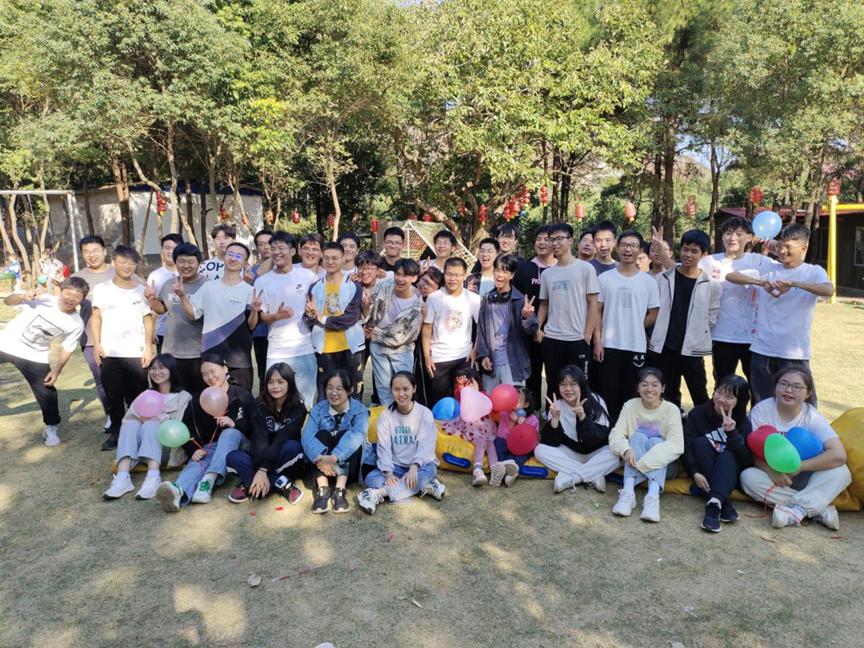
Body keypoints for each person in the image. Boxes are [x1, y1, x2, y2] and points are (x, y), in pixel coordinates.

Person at [726, 224, 834, 404]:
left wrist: (794, 283)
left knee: (800, 404)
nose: (783, 251)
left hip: (793, 352)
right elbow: (731, 276)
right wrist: (761, 282)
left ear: (804, 247)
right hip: (762, 349)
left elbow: (829, 290)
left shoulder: (813, 271)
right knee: (762, 403)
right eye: (781, 246)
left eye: (788, 247)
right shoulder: (769, 268)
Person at [740, 365, 851, 531]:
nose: (789, 390)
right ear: (775, 386)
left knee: (841, 472)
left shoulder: (811, 416)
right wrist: (771, 471)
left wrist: (800, 467)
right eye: (783, 384)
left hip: (807, 475)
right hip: (775, 476)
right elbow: (750, 449)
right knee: (747, 477)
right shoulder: (762, 410)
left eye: (797, 387)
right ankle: (818, 508)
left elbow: (839, 454)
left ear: (808, 393)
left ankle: (796, 511)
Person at [155, 354, 257, 511]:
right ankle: (178, 491)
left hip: (241, 447)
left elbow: (257, 426)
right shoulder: (198, 399)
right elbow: (186, 428)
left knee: (230, 433)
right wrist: (193, 449)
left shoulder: (242, 396)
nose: (210, 377)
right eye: (204, 374)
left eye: (212, 371)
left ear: (225, 369)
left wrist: (235, 423)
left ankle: (209, 479)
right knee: (201, 458)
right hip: (213, 448)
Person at [0, 278, 87, 446]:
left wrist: (56, 371)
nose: (71, 298)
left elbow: (68, 348)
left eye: (77, 296)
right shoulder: (43, 300)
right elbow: (7, 301)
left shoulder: (76, 323)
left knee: (47, 392)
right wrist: (22, 295)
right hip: (5, 345)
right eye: (68, 293)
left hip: (34, 356)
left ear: (82, 299)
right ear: (61, 291)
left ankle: (51, 427)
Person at [647, 230, 721, 409]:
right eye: (685, 249)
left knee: (700, 395)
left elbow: (711, 317)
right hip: (664, 347)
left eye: (694, 251)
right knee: (665, 395)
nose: (688, 255)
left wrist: (698, 333)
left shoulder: (711, 285)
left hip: (692, 349)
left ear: (704, 254)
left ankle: (703, 426)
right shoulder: (662, 278)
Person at [102, 354, 193, 500]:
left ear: (172, 370)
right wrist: (141, 419)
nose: (156, 372)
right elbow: (128, 419)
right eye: (153, 369)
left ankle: (153, 477)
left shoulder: (183, 396)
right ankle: (122, 477)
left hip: (169, 450)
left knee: (151, 424)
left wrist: (159, 418)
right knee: (131, 424)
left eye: (161, 368)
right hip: (141, 450)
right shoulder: (147, 394)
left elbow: (180, 428)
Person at [91, 245, 154, 451]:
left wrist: (148, 348)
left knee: (138, 396)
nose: (128, 266)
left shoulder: (141, 291)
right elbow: (96, 318)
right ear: (113, 263)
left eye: (132, 262)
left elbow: (148, 320)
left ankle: (140, 433)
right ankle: (117, 433)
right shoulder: (102, 289)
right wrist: (97, 344)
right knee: (114, 396)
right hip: (110, 352)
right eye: (123, 261)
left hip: (136, 352)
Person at [594, 230, 660, 424]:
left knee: (631, 394)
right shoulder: (605, 278)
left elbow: (653, 313)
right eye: (624, 245)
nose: (628, 249)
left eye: (633, 245)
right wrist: (597, 342)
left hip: (636, 346)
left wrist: (636, 326)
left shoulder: (648, 281)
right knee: (607, 393)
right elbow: (596, 312)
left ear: (640, 250)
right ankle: (606, 431)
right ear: (617, 247)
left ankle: (627, 431)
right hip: (608, 346)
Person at [357, 372, 445, 514]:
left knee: (423, 475)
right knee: (371, 479)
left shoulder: (425, 413)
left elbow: (426, 446)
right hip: (395, 466)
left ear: (414, 389)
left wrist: (414, 468)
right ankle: (426, 487)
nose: (401, 394)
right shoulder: (386, 416)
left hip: (421, 466)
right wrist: (388, 474)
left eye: (405, 389)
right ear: (391, 390)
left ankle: (377, 494)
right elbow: (384, 448)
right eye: (396, 389)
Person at [699, 217, 771, 383]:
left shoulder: (760, 261)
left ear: (749, 237)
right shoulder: (709, 262)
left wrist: (778, 246)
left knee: (758, 385)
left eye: (739, 234)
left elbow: (787, 269)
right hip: (722, 335)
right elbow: (683, 271)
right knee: (723, 384)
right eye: (728, 233)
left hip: (753, 337)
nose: (732, 238)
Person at [608, 367, 684, 522]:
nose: (649, 389)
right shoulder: (630, 405)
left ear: (663, 388)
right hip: (634, 460)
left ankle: (652, 497)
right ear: (637, 388)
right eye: (644, 384)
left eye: (655, 385)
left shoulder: (672, 410)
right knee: (637, 437)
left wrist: (642, 463)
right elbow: (616, 435)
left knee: (657, 442)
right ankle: (628, 493)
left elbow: (676, 445)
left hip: (664, 466)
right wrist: (626, 450)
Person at [179, 241, 256, 391]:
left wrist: (254, 311)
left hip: (239, 358)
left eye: (238, 256)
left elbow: (252, 325)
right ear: (224, 257)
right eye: (230, 254)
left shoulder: (249, 290)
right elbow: (193, 314)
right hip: (211, 354)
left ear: (245, 263)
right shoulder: (209, 286)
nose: (233, 258)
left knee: (241, 399)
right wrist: (182, 295)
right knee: (211, 398)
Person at [226, 363, 307, 505]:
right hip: (261, 454)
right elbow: (259, 437)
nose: (275, 386)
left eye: (280, 382)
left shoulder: (298, 409)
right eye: (271, 382)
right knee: (233, 457)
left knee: (292, 447)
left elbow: (282, 438)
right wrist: (261, 468)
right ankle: (281, 483)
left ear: (289, 383)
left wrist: (263, 470)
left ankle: (249, 483)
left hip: (284, 455)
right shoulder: (259, 405)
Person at [254, 232, 318, 406]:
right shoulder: (263, 281)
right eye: (273, 248)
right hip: (277, 349)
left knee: (306, 400)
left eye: (281, 248)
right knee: (277, 399)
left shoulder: (308, 276)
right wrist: (277, 316)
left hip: (305, 347)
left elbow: (317, 307)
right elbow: (262, 316)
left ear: (293, 251)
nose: (276, 252)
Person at [683, 374, 752, 532]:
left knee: (727, 455)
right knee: (700, 442)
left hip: (728, 473)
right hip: (703, 469)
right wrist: (694, 473)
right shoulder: (698, 414)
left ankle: (713, 506)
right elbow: (687, 446)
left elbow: (746, 460)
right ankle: (723, 502)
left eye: (729, 397)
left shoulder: (743, 423)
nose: (721, 399)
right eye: (719, 392)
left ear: (740, 401)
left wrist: (733, 433)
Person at [536, 222, 600, 393]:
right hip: (552, 338)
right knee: (553, 385)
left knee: (579, 387)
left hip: (577, 339)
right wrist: (538, 328)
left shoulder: (586, 269)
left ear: (571, 240)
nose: (555, 243)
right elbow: (544, 304)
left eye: (560, 239)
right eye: (551, 239)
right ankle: (553, 412)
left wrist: (587, 334)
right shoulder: (548, 273)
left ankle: (580, 412)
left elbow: (593, 303)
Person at [534, 366, 619, 494]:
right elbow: (551, 442)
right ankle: (593, 475)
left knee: (617, 453)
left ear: (581, 385)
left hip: (596, 452)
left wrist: (582, 417)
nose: (568, 389)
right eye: (563, 385)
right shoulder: (557, 406)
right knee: (540, 450)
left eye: (573, 384)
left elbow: (596, 439)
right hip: (571, 453)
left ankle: (573, 478)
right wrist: (555, 419)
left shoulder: (596, 400)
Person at [301, 369, 370, 514]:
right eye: (330, 388)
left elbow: (358, 435)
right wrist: (320, 459)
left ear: (350, 390)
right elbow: (307, 437)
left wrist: (334, 458)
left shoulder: (360, 410)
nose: (334, 393)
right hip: (321, 467)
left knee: (348, 436)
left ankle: (340, 490)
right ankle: (323, 489)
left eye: (339, 388)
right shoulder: (318, 410)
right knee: (321, 435)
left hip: (348, 468)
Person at [304, 242, 365, 399]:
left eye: (335, 258)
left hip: (350, 346)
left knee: (353, 390)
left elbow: (350, 318)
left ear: (343, 258)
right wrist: (311, 314)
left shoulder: (354, 286)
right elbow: (310, 317)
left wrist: (321, 318)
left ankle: (354, 415)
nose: (330, 262)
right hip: (324, 347)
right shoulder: (315, 287)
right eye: (326, 258)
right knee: (326, 392)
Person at [147, 243, 207, 392]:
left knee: (197, 395)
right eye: (181, 261)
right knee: (173, 394)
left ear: (198, 263)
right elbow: (161, 309)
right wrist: (152, 299)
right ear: (175, 262)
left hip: (198, 352)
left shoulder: (208, 286)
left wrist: (182, 296)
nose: (186, 266)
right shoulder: (169, 284)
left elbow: (195, 316)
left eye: (190, 261)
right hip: (171, 352)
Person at [421, 257, 481, 405]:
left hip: (464, 357)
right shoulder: (434, 298)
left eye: (457, 275)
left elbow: (481, 327)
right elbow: (427, 329)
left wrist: (475, 350)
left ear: (464, 275)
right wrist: (427, 357)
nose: (453, 279)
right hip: (439, 358)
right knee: (441, 404)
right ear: (444, 273)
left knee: (466, 402)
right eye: (449, 274)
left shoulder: (473, 299)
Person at [476, 253, 538, 392]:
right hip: (491, 362)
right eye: (497, 270)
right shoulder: (487, 299)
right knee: (490, 400)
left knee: (514, 400)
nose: (499, 275)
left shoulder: (520, 300)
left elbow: (532, 330)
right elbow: (481, 330)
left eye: (505, 271)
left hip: (513, 362)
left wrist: (527, 317)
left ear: (512, 275)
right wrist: (483, 355)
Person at [72, 235, 116, 430]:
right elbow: (65, 303)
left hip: (120, 337)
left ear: (104, 251)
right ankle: (111, 414)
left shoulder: (119, 272)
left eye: (96, 250)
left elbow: (144, 293)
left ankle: (131, 413)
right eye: (87, 251)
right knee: (101, 380)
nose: (92, 255)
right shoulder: (77, 279)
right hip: (90, 339)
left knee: (125, 379)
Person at [366, 258, 423, 407]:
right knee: (383, 389)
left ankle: (404, 417)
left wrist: (375, 335)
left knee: (403, 389)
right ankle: (389, 416)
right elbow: (370, 312)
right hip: (378, 348)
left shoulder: (418, 304)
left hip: (402, 351)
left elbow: (404, 337)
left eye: (406, 275)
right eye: (398, 274)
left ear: (414, 278)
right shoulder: (383, 287)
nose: (400, 279)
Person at [515, 225, 556, 411]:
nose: (542, 242)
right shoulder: (524, 268)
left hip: (555, 331)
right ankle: (532, 411)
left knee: (554, 373)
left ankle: (551, 412)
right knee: (532, 374)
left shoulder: (560, 269)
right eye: (539, 239)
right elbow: (516, 298)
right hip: (528, 330)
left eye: (546, 239)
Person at [439, 367, 498, 486]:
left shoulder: (484, 396)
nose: (469, 388)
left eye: (471, 384)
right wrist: (461, 387)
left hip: (486, 429)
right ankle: (478, 470)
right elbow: (458, 395)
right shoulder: (463, 398)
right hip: (471, 429)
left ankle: (495, 469)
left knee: (491, 444)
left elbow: (493, 407)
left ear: (479, 384)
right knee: (481, 442)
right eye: (466, 386)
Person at [490, 386, 540, 487]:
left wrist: (523, 427)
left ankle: (508, 471)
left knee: (526, 453)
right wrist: (512, 423)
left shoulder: (533, 419)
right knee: (498, 442)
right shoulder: (505, 414)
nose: (513, 401)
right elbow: (502, 435)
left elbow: (531, 441)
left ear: (526, 404)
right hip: (507, 444)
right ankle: (506, 469)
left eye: (517, 399)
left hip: (522, 449)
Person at [147, 234, 183, 353]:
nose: (170, 251)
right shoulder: (155, 276)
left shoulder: (190, 273)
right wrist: (152, 330)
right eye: (166, 248)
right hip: (164, 332)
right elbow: (150, 307)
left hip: (189, 332)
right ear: (161, 250)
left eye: (174, 248)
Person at [250, 229, 274, 384]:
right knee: (264, 372)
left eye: (270, 243)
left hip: (282, 328)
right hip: (261, 331)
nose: (266, 247)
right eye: (261, 244)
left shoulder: (286, 269)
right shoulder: (251, 272)